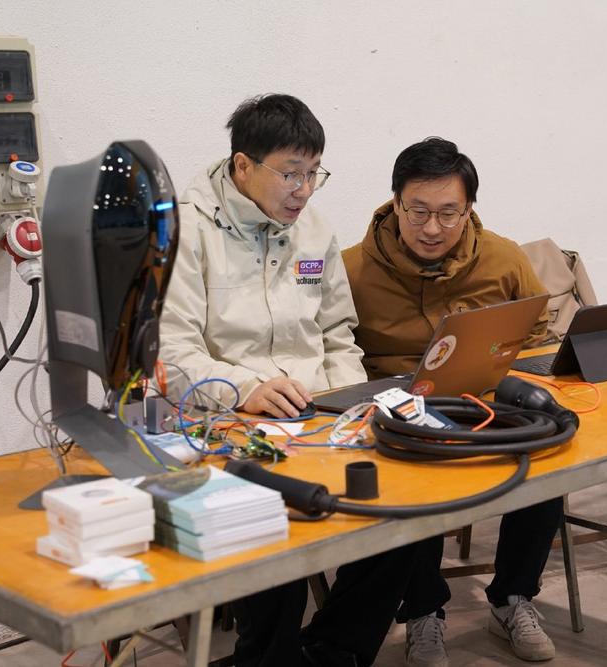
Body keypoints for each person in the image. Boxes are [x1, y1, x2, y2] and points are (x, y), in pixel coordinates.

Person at [159, 94, 417, 667]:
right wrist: (246, 388)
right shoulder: (183, 230)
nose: (304, 190)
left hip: (318, 418)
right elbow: (171, 356)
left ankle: (336, 651)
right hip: (229, 423)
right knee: (272, 524)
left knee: (405, 512)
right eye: (291, 173)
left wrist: (349, 404)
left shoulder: (313, 229)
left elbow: (337, 334)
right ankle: (268, 656)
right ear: (243, 165)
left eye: (314, 173)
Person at [342, 137, 562, 665]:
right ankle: (423, 611)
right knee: (415, 472)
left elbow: (537, 331)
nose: (432, 228)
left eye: (448, 213)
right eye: (417, 211)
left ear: (469, 210)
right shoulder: (349, 268)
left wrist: (513, 371)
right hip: (396, 409)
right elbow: (331, 346)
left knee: (550, 454)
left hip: (482, 397)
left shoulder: (503, 258)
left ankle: (512, 597)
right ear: (395, 203)